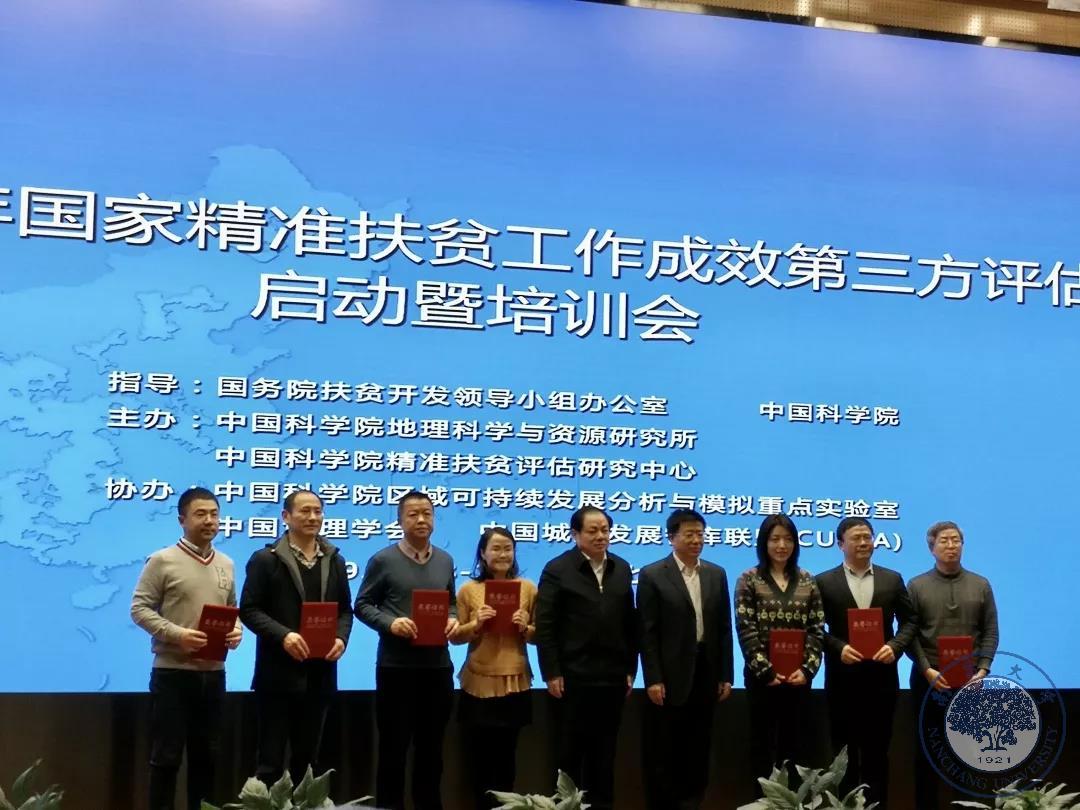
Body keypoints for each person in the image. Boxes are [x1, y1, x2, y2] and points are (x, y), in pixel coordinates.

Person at [130, 486, 242, 810]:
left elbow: (232, 609)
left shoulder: (226, 563)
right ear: (182, 520)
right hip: (172, 673)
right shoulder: (162, 560)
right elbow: (139, 609)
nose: (209, 521)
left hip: (214, 674)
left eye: (214, 514)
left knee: (207, 758)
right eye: (200, 514)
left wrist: (236, 631)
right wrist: (177, 634)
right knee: (166, 758)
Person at [239, 489, 353, 786]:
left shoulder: (335, 560)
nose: (313, 517)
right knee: (270, 763)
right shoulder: (266, 560)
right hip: (277, 676)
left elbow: (345, 610)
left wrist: (341, 638)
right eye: (304, 511)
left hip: (320, 675)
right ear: (285, 516)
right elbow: (249, 610)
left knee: (308, 763)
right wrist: (284, 636)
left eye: (317, 511)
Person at [354, 490, 459, 810]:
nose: (421, 519)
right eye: (413, 514)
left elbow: (451, 602)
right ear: (400, 520)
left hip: (437, 667)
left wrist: (453, 618)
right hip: (396, 667)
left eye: (427, 513)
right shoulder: (383, 560)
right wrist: (390, 623)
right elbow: (362, 605)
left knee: (432, 750)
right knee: (393, 750)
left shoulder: (445, 560)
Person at [534, 505, 637, 810]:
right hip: (572, 677)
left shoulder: (622, 568)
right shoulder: (557, 569)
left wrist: (630, 668)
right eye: (592, 530)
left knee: (604, 756)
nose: (600, 536)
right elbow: (546, 625)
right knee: (568, 755)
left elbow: (629, 623)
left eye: (605, 530)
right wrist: (551, 671)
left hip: (612, 678)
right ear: (575, 534)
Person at [815, 516, 916, 808]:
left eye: (867, 537)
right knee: (843, 754)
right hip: (842, 678)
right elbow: (813, 627)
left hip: (882, 679)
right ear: (840, 544)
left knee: (877, 752)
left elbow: (910, 621)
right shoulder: (823, 581)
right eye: (856, 538)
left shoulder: (892, 579)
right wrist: (838, 647)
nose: (863, 543)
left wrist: (895, 646)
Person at [637, 508, 734, 810]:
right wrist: (653, 678)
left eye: (700, 534)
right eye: (689, 534)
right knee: (666, 749)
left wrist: (726, 674)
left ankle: (693, 803)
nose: (696, 540)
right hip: (669, 675)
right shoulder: (653, 574)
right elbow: (647, 632)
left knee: (699, 746)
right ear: (672, 537)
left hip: (707, 669)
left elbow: (724, 628)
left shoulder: (716, 574)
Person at [907, 520, 999, 809]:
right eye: (944, 541)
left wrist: (982, 670)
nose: (951, 546)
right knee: (927, 753)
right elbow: (909, 633)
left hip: (970, 681)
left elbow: (990, 631)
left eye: (956, 540)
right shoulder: (916, 585)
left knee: (969, 753)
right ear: (931, 548)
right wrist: (926, 668)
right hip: (929, 679)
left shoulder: (981, 584)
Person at [734, 514, 824, 792]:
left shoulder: (807, 580)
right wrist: (767, 671)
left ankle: (793, 803)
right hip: (762, 679)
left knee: (795, 746)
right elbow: (745, 628)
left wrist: (807, 669)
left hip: (798, 679)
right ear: (764, 543)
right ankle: (762, 802)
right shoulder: (749, 579)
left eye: (788, 539)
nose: (782, 545)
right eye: (775, 539)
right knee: (762, 746)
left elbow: (816, 628)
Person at [451, 527, 536, 809]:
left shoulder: (528, 588)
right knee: (479, 759)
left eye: (508, 548)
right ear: (483, 554)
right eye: (496, 548)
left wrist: (526, 627)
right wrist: (476, 625)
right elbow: (454, 637)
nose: (503, 554)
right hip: (478, 682)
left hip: (515, 680)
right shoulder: (468, 590)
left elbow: (541, 635)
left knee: (507, 757)